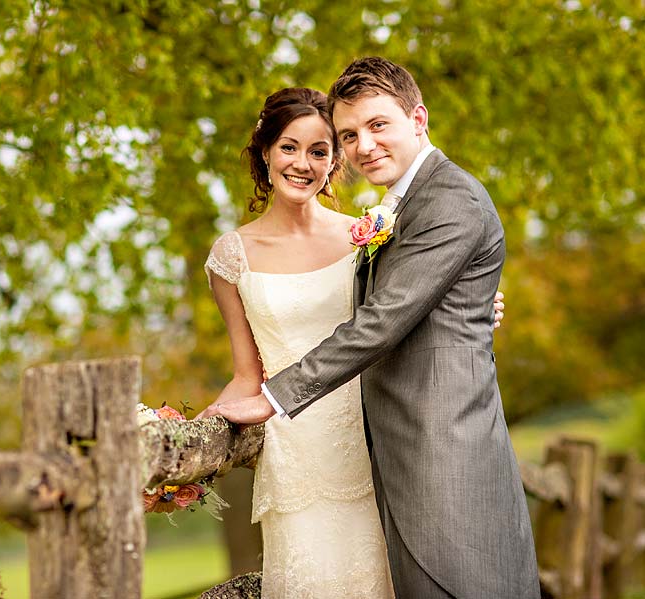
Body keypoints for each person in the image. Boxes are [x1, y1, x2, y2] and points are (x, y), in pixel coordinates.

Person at [201, 58, 538, 599]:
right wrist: (192, 441)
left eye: (377, 126)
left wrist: (274, 397)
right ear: (264, 153)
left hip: (434, 457)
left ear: (418, 119)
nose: (364, 145)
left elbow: (383, 318)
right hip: (342, 452)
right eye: (350, 134)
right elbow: (403, 300)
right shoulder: (391, 212)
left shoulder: (445, 200)